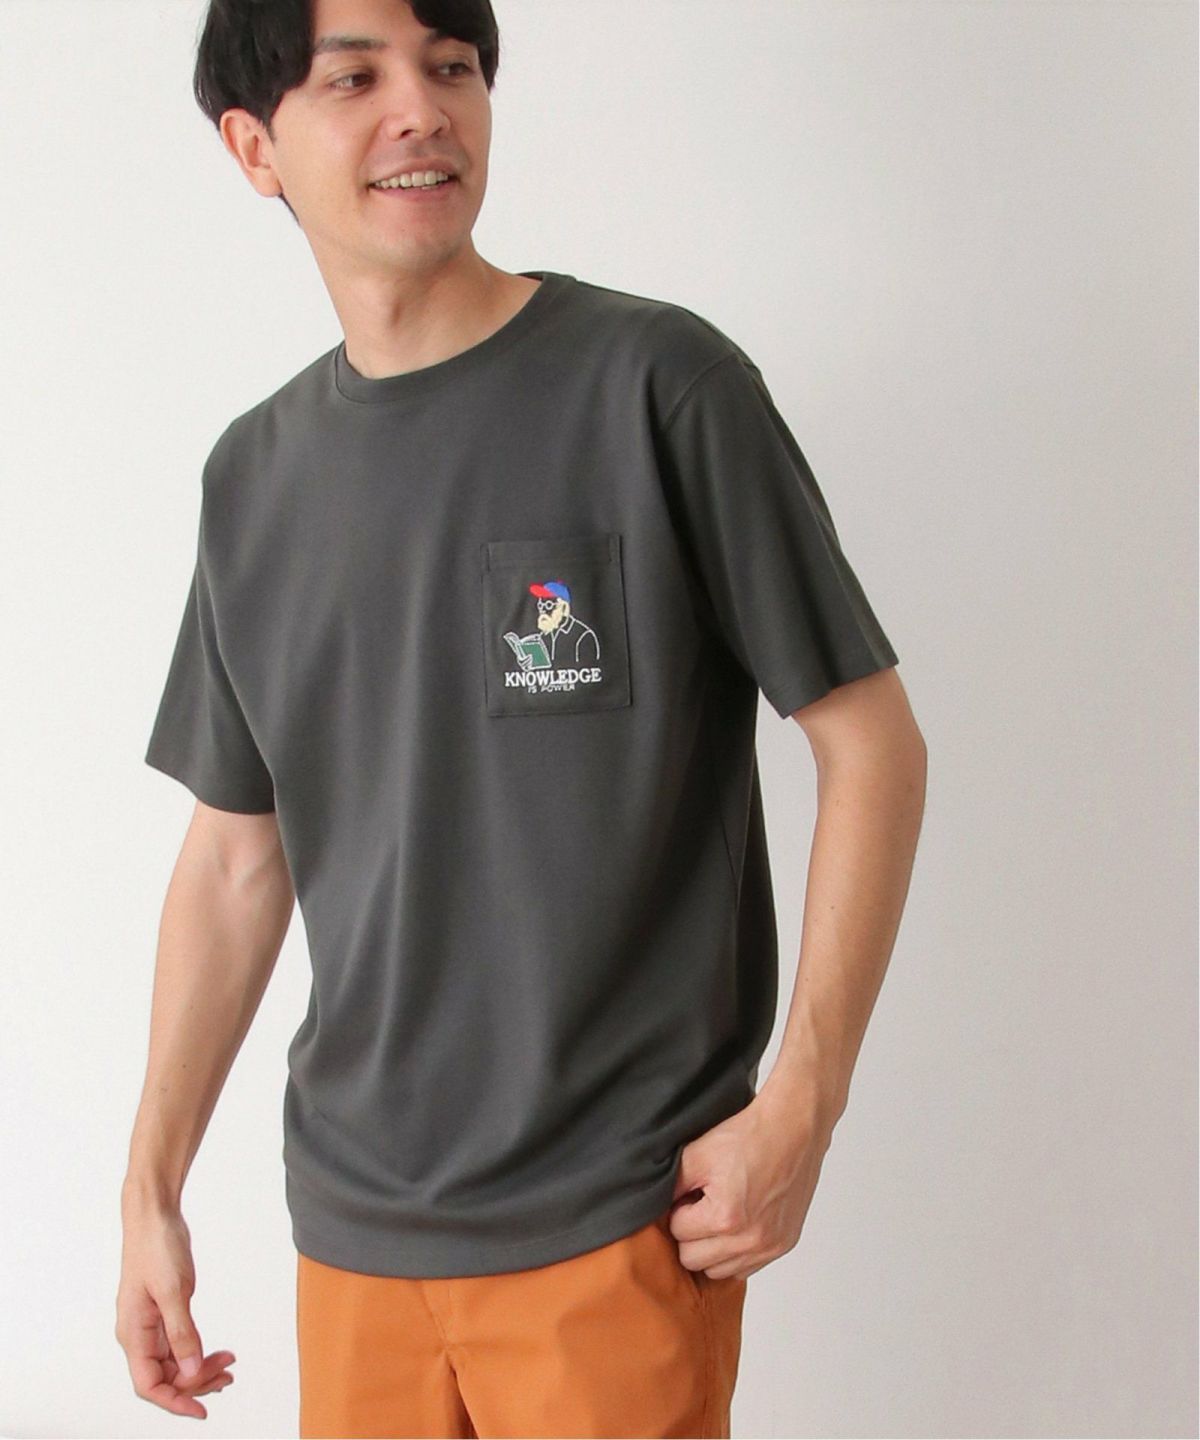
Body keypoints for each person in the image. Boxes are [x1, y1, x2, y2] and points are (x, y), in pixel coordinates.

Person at [116, 0, 928, 1434]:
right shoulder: (254, 478)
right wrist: (150, 1190)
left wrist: (805, 1098)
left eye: (451, 67)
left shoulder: (658, 386)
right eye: (355, 77)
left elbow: (870, 744)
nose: (421, 109)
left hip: (615, 1215)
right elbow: (237, 856)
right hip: (353, 1236)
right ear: (253, 147)